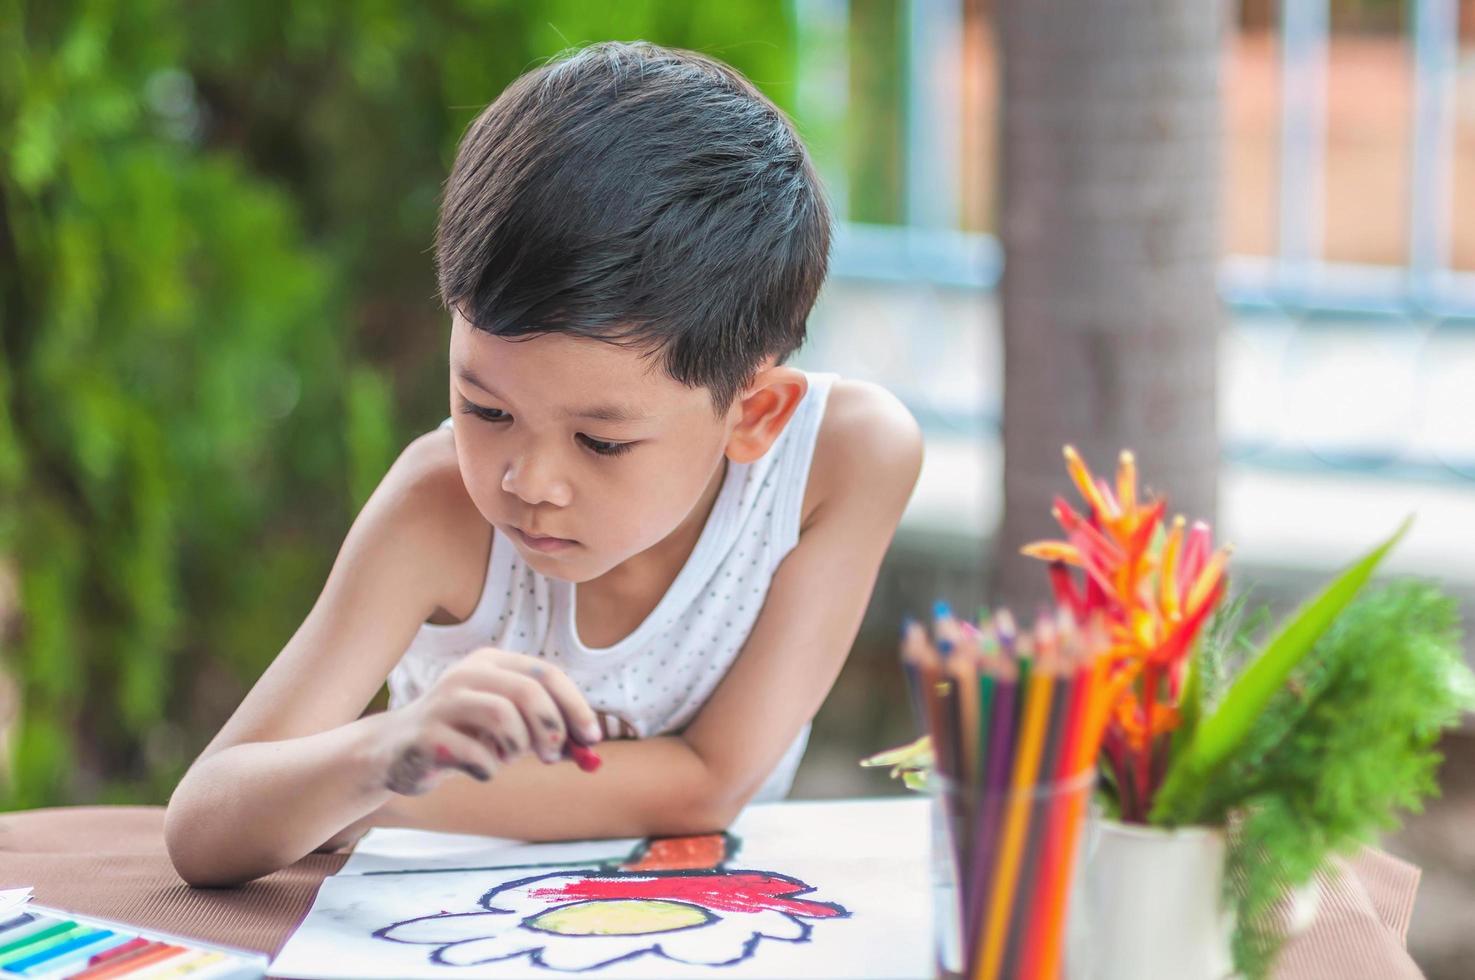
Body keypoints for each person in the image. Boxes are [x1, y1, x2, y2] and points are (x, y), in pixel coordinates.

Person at [165, 41, 922, 887]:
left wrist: (374, 796)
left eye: (600, 442)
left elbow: (713, 782)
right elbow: (204, 825)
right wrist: (383, 751)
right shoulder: (437, 508)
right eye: (485, 410)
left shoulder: (840, 463)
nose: (527, 482)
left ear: (753, 412)